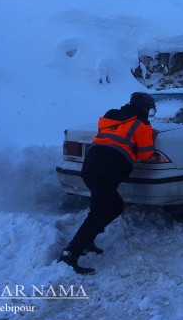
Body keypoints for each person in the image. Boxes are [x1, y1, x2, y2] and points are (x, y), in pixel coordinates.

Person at [59, 92, 156, 274]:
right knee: (98, 213)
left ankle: (88, 240)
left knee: (116, 206)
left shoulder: (110, 116)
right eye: (149, 108)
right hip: (107, 171)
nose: (149, 111)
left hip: (91, 166)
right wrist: (150, 136)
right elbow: (145, 154)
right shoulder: (141, 124)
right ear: (144, 107)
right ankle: (70, 253)